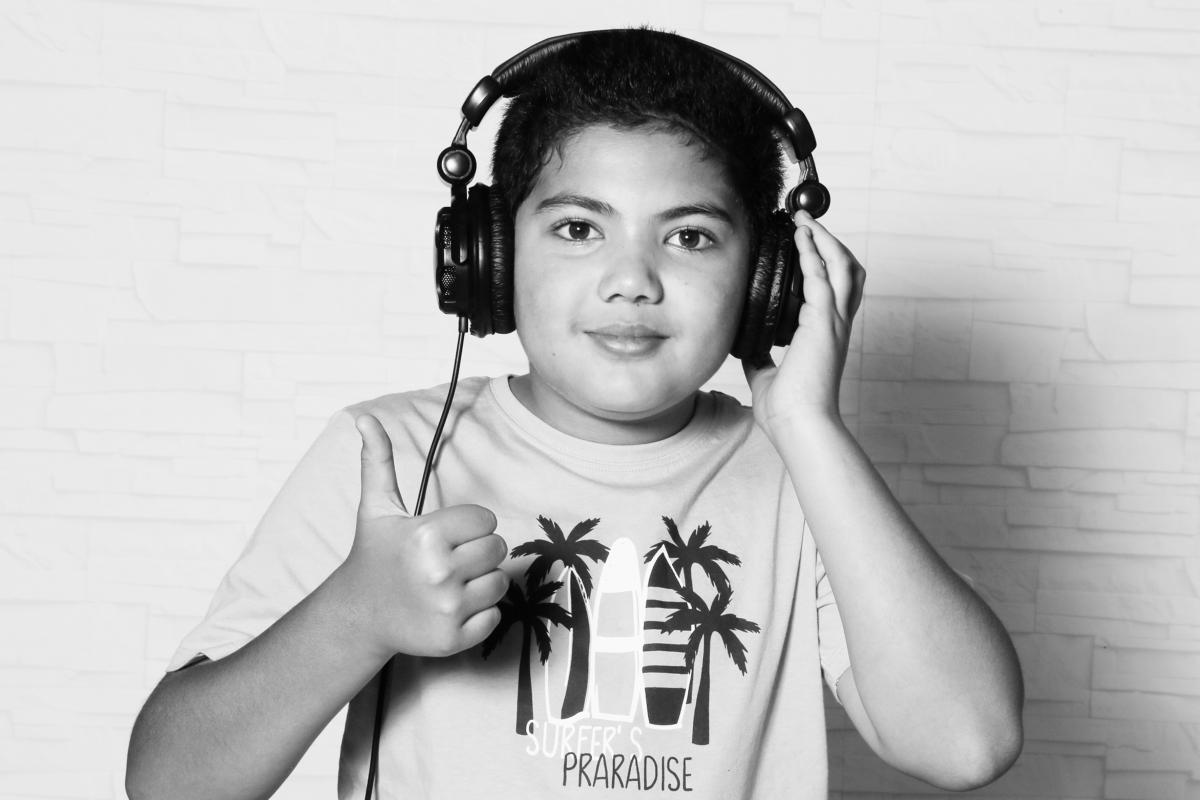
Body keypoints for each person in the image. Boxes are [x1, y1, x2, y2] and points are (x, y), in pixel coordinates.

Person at [126, 28, 1023, 800]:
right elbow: (171, 781)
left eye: (690, 236)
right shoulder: (387, 455)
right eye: (578, 228)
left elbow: (968, 742)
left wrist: (809, 429)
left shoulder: (807, 481)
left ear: (769, 282)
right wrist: (353, 618)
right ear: (487, 257)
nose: (632, 279)